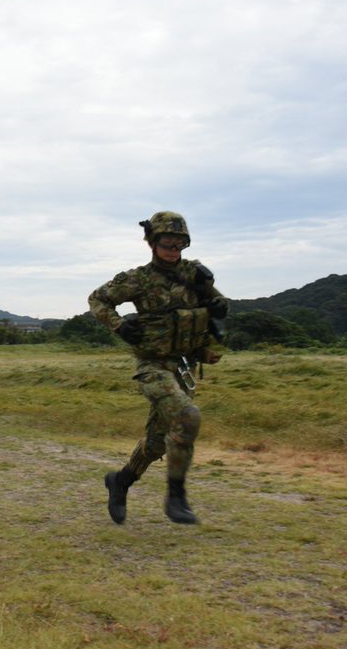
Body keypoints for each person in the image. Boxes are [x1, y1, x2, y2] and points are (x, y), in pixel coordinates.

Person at [88, 211, 228, 525]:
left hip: (183, 367)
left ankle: (120, 481)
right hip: (152, 367)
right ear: (152, 242)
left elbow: (220, 306)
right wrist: (119, 326)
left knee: (155, 443)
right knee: (188, 417)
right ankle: (176, 497)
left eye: (180, 244)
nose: (173, 249)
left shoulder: (196, 275)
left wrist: (219, 305)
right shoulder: (138, 278)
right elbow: (98, 299)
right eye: (167, 243)